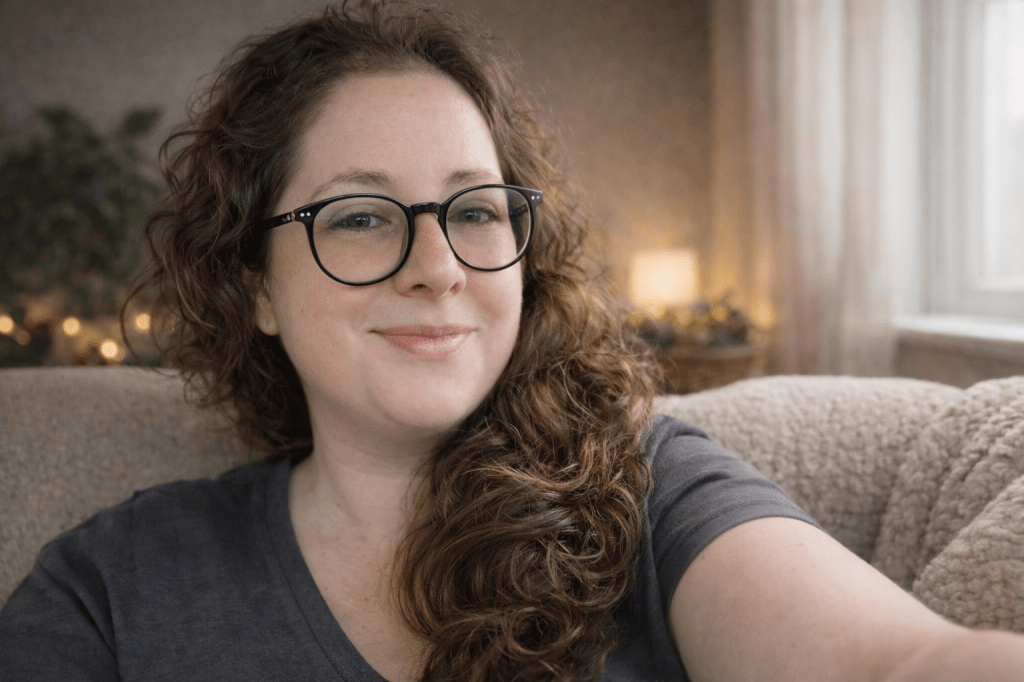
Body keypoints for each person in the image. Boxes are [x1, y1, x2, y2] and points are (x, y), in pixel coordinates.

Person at [2, 1, 1024, 680]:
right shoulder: (116, 581)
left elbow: (895, 663)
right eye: (360, 216)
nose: (438, 265)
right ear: (252, 283)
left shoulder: (655, 492)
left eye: (475, 211)